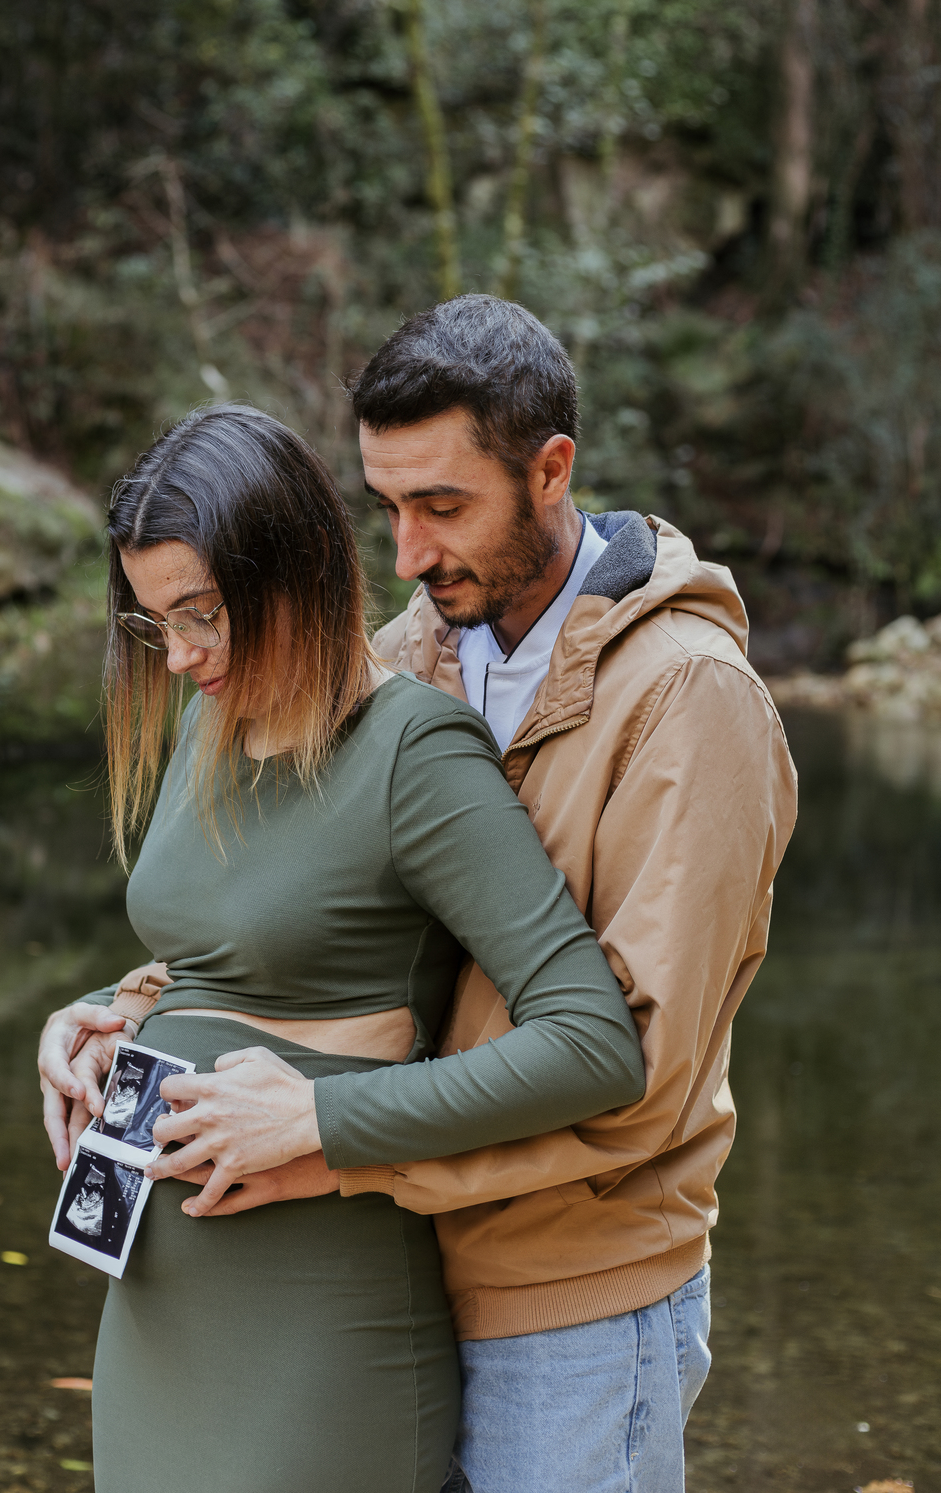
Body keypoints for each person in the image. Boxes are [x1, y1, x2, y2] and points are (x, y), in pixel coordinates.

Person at [71, 297, 798, 1493]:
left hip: (566, 1292)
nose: (405, 554)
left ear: (550, 470)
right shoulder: (418, 653)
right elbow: (309, 923)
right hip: (398, 1253)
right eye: (387, 508)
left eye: (443, 507)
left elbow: (639, 1073)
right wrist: (120, 1009)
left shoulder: (689, 703)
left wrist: (330, 1134)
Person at [37, 402, 646, 1493]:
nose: (177, 656)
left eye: (204, 615)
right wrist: (97, 1020)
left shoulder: (414, 752)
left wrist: (323, 1117)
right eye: (151, 623)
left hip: (318, 1323)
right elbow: (228, 958)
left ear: (299, 568)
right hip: (157, 1311)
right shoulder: (204, 722)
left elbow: (592, 1044)